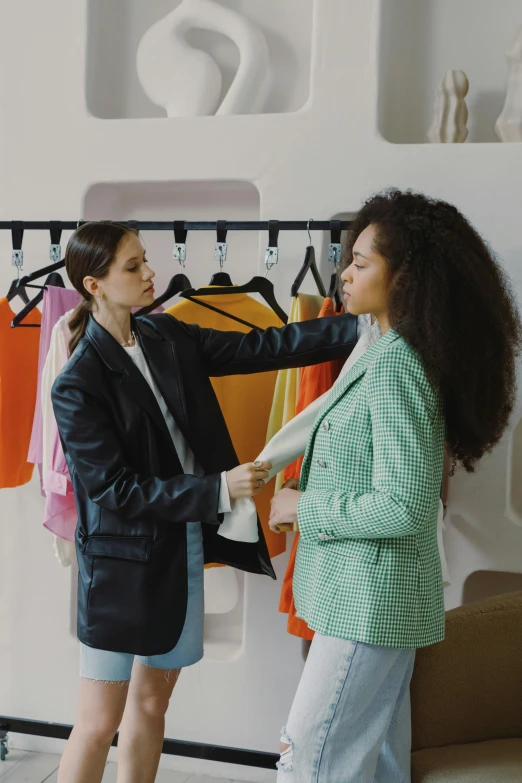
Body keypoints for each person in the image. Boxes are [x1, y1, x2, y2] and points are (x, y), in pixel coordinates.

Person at [51, 220, 358, 783]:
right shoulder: (77, 381)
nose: (150, 274)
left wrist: (364, 324)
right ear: (94, 285)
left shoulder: (170, 335)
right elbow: (112, 491)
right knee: (97, 724)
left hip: (180, 551)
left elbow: (267, 346)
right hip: (118, 574)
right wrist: (218, 489)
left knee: (151, 706)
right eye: (133, 266)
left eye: (146, 259)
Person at [269, 188, 522, 782]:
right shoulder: (374, 348)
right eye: (349, 259)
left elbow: (404, 507)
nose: (344, 273)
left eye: (361, 263)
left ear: (406, 277)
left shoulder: (397, 366)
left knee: (308, 762)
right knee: (380, 762)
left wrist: (304, 505)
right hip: (364, 598)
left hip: (370, 603)